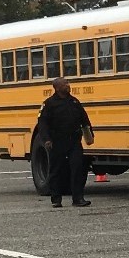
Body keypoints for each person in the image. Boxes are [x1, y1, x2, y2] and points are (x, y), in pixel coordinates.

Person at [38, 76, 95, 208]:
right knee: (56, 170)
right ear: (57, 88)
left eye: (68, 83)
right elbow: (43, 123)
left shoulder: (74, 102)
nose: (68, 86)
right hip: (57, 141)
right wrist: (46, 139)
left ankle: (78, 198)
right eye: (65, 84)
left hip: (74, 141)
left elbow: (84, 119)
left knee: (77, 168)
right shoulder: (49, 104)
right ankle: (56, 199)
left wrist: (89, 134)